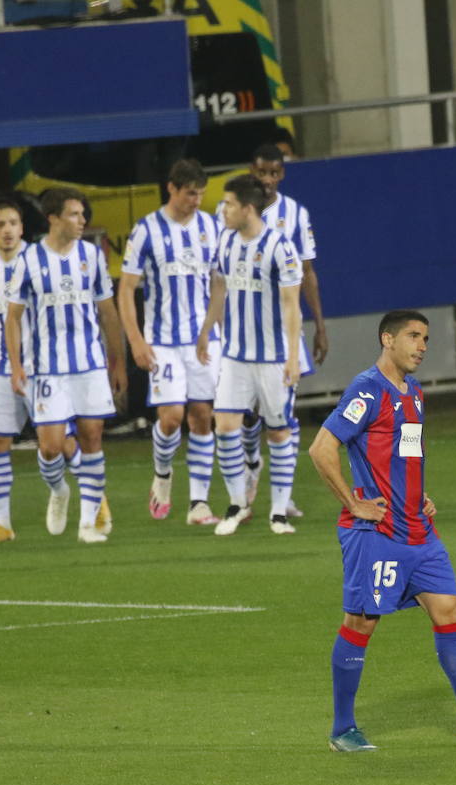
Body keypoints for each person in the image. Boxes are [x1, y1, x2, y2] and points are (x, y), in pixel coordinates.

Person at [309, 309, 456, 751]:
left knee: (450, 611)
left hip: (418, 530)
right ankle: (342, 728)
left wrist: (418, 496)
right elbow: (321, 448)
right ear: (387, 339)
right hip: (377, 533)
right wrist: (353, 503)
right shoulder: (367, 390)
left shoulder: (415, 394)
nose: (422, 345)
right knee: (362, 622)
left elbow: (404, 454)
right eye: (413, 336)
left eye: (425, 337)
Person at [5, 187, 128, 544]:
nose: (82, 221)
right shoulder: (28, 260)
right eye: (74, 214)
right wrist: (16, 366)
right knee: (50, 447)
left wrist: (117, 361)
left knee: (92, 439)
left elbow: (107, 310)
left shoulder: (92, 255)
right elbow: (13, 318)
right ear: (53, 218)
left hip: (89, 365)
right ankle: (59, 491)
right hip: (47, 369)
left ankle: (88, 523)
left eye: (82, 214)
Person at [217, 144, 328, 515]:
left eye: (274, 173)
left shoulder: (295, 214)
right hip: (241, 341)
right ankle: (251, 469)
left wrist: (320, 326)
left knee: (278, 418)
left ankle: (283, 497)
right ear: (253, 170)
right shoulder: (231, 214)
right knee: (242, 420)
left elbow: (307, 274)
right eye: (262, 172)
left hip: (281, 340)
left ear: (281, 174)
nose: (267, 180)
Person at [0, 196, 85, 544]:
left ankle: (95, 497)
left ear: (22, 227)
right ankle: (2, 524)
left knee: (60, 441)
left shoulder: (39, 260)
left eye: (13, 224)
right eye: (0, 225)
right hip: (2, 369)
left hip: (43, 367)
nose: (7, 230)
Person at [195, 173, 302, 536]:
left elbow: (291, 305)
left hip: (272, 357)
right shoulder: (225, 242)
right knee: (224, 425)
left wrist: (291, 356)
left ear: (248, 208)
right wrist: (207, 329)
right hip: (236, 356)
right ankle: (238, 504)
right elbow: (220, 289)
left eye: (228, 204)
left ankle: (278, 513)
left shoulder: (280, 247)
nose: (222, 210)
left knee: (278, 432)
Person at [118, 159, 223, 526]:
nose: (196, 200)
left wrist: (212, 330)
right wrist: (135, 340)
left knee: (201, 417)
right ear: (172, 189)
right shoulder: (146, 230)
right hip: (162, 340)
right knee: (171, 417)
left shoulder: (212, 226)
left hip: (202, 340)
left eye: (201, 194)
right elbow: (126, 288)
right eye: (190, 193)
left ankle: (198, 504)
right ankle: (162, 473)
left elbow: (219, 284)